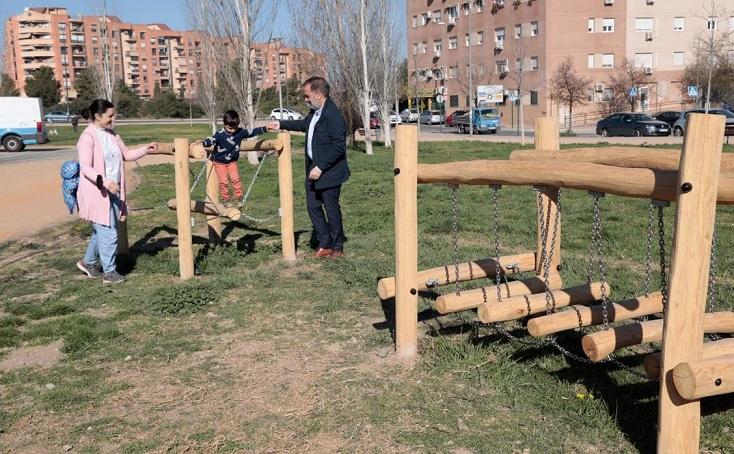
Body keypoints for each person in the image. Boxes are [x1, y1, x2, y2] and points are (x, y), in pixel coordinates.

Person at [76, 99, 158, 284]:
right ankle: (109, 273)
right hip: (97, 192)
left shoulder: (112, 134)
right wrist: (105, 182)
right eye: (110, 115)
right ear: (98, 116)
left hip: (113, 191)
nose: (113, 119)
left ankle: (87, 262)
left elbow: (126, 154)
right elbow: (85, 168)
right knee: (110, 232)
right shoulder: (87, 137)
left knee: (102, 231)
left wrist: (146, 149)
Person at [267, 77, 349, 259]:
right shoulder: (314, 113)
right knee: (313, 207)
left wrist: (320, 167)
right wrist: (280, 124)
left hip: (329, 172)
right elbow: (303, 125)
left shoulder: (332, 114)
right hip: (313, 170)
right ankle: (325, 243)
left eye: (307, 96)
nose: (305, 99)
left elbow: (338, 147)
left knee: (331, 209)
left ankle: (337, 247)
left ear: (319, 95)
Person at [202, 110, 266, 207]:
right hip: (219, 162)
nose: (232, 131)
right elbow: (211, 140)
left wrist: (266, 128)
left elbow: (252, 132)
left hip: (232, 162)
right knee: (224, 181)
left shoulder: (239, 132)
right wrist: (202, 143)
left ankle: (239, 197)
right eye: (230, 128)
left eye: (235, 128)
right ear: (224, 124)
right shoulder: (220, 134)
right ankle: (226, 199)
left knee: (236, 179)